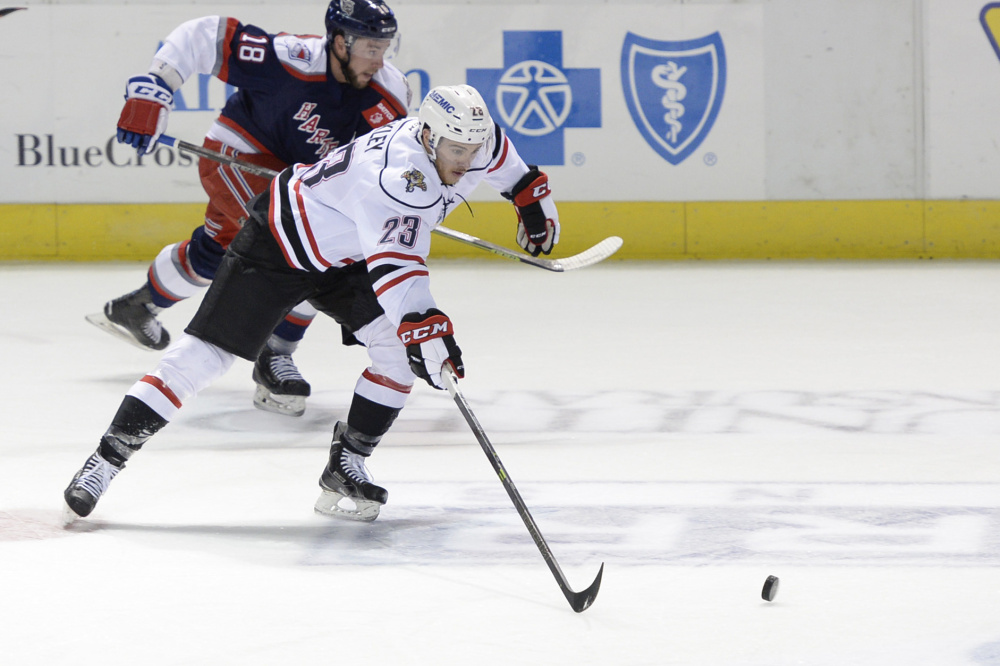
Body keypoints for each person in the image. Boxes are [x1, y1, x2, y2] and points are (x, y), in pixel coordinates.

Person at [64, 84, 560, 524]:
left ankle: (347, 467)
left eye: (472, 149)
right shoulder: (395, 177)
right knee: (204, 357)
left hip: (345, 252)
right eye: (456, 150)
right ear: (427, 136)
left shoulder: (474, 138)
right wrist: (425, 325)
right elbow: (398, 271)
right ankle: (104, 462)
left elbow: (502, 161)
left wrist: (526, 195)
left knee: (394, 354)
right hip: (279, 241)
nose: (466, 161)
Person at [87, 0, 410, 418]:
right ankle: (274, 355)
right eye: (370, 47)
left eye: (384, 47)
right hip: (240, 154)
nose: (378, 59)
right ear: (339, 42)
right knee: (303, 248)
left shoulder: (390, 93)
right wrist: (157, 84)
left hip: (300, 182)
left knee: (222, 249)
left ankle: (140, 305)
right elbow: (205, 35)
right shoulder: (291, 60)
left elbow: (376, 167)